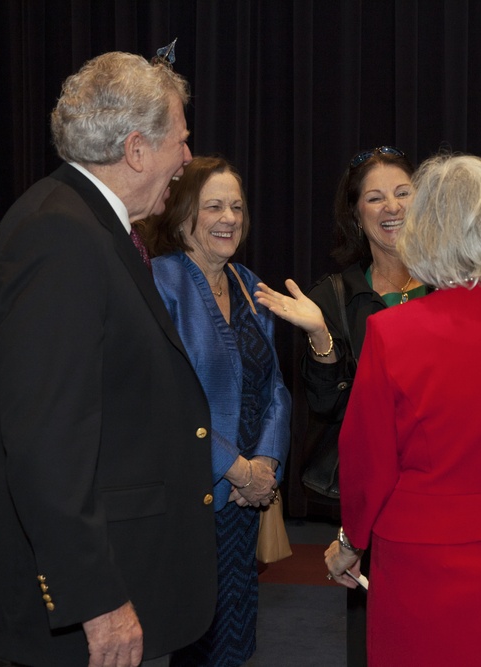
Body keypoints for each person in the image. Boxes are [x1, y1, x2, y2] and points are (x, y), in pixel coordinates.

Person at [0, 52, 218, 667]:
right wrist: (97, 601)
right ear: (135, 149)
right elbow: (47, 443)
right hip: (88, 612)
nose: (186, 158)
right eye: (180, 141)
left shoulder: (89, 224)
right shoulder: (61, 238)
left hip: (120, 578)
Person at [322, 153, 481, 665]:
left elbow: (368, 460)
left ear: (426, 231)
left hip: (425, 555)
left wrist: (350, 541)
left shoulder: (394, 332)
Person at [254, 145, 424, 666]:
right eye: (375, 198)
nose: (391, 207)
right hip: (373, 489)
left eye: (402, 193)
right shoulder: (333, 294)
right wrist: (321, 335)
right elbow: (327, 405)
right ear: (356, 214)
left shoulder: (453, 285)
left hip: (441, 484)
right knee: (372, 636)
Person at [143, 155, 291, 667]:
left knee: (232, 633)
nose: (229, 217)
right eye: (214, 206)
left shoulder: (251, 284)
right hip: (191, 494)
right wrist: (235, 468)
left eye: (236, 206)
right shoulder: (158, 283)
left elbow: (275, 386)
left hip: (246, 499)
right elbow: (163, 399)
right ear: (184, 215)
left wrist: (266, 464)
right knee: (196, 636)